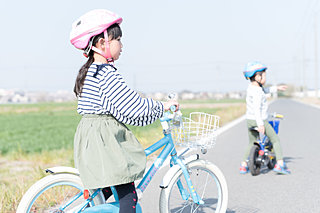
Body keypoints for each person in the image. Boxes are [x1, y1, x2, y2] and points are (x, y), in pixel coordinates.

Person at [69, 9, 178, 212]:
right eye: (117, 39)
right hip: (105, 140)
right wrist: (161, 106)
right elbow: (132, 107)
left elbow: (122, 106)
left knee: (109, 188)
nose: (122, 45)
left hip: (90, 137)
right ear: (102, 43)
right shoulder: (106, 73)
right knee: (129, 196)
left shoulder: (89, 70)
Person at [240, 61, 290, 175]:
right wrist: (261, 124)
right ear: (257, 76)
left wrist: (276, 88)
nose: (265, 77)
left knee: (252, 142)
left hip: (249, 120)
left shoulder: (252, 88)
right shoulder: (257, 92)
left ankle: (243, 165)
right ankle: (280, 164)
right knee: (275, 140)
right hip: (259, 120)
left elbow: (265, 90)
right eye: (264, 75)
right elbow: (257, 109)